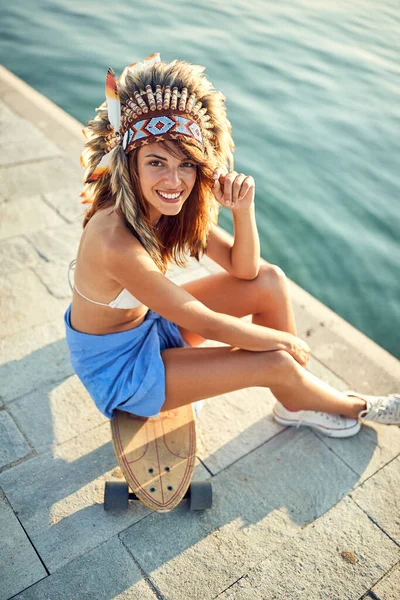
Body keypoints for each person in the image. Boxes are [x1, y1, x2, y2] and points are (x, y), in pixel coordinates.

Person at [64, 52, 400, 438]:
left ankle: (297, 399)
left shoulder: (165, 206)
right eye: (157, 162)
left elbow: (247, 272)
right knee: (276, 360)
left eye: (186, 164)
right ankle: (359, 406)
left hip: (149, 329)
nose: (174, 181)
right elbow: (203, 322)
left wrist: (244, 211)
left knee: (270, 282)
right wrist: (286, 342)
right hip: (121, 369)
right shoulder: (114, 240)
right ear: (130, 164)